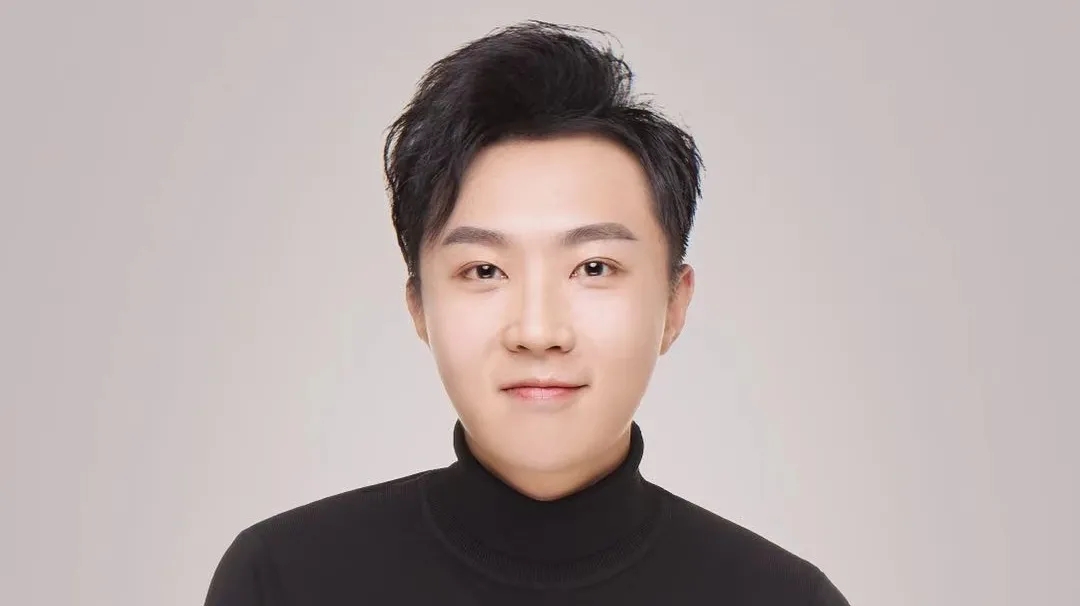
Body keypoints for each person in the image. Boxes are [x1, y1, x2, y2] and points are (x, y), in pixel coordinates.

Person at [204, 20, 850, 605]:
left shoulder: (784, 598)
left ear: (674, 304)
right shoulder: (284, 579)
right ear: (419, 306)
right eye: (484, 271)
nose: (538, 332)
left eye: (594, 267)